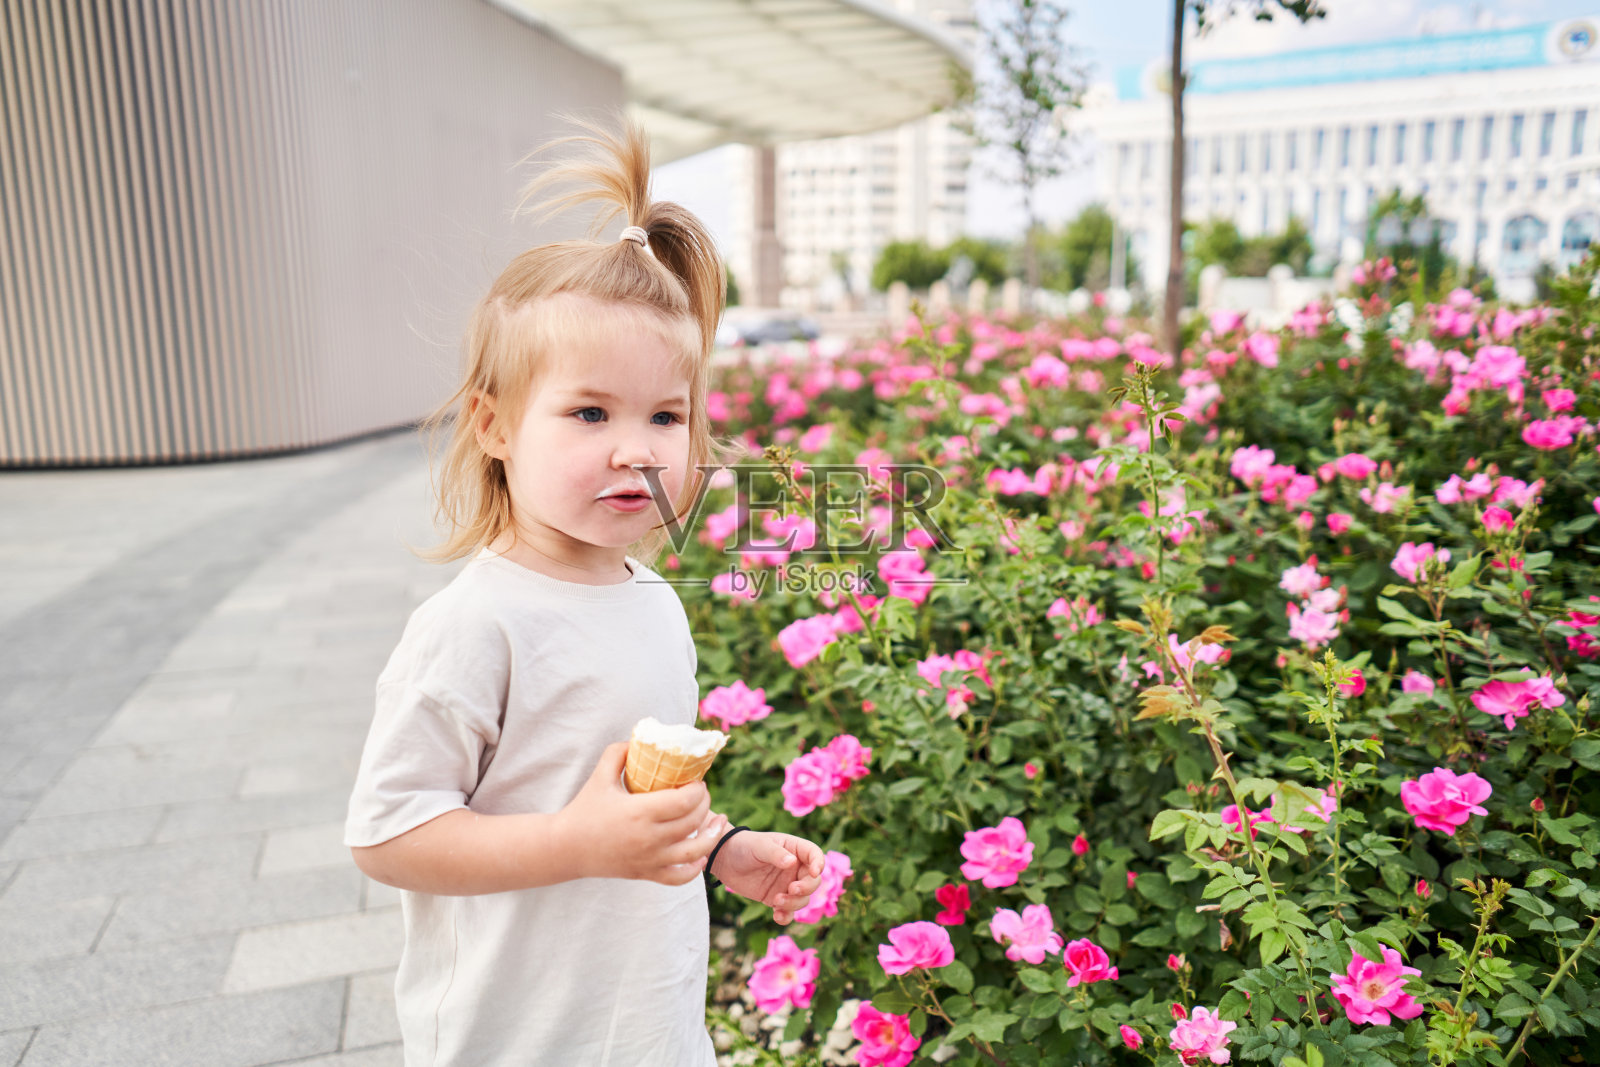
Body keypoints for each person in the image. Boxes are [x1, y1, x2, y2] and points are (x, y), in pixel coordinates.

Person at [344, 113, 825, 1066]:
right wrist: (577, 841)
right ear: (493, 426)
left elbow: (634, 790)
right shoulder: (476, 624)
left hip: (647, 1025)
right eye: (589, 410)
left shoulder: (655, 598)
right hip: (520, 1034)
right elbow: (388, 834)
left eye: (666, 415)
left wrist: (719, 844)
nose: (635, 447)